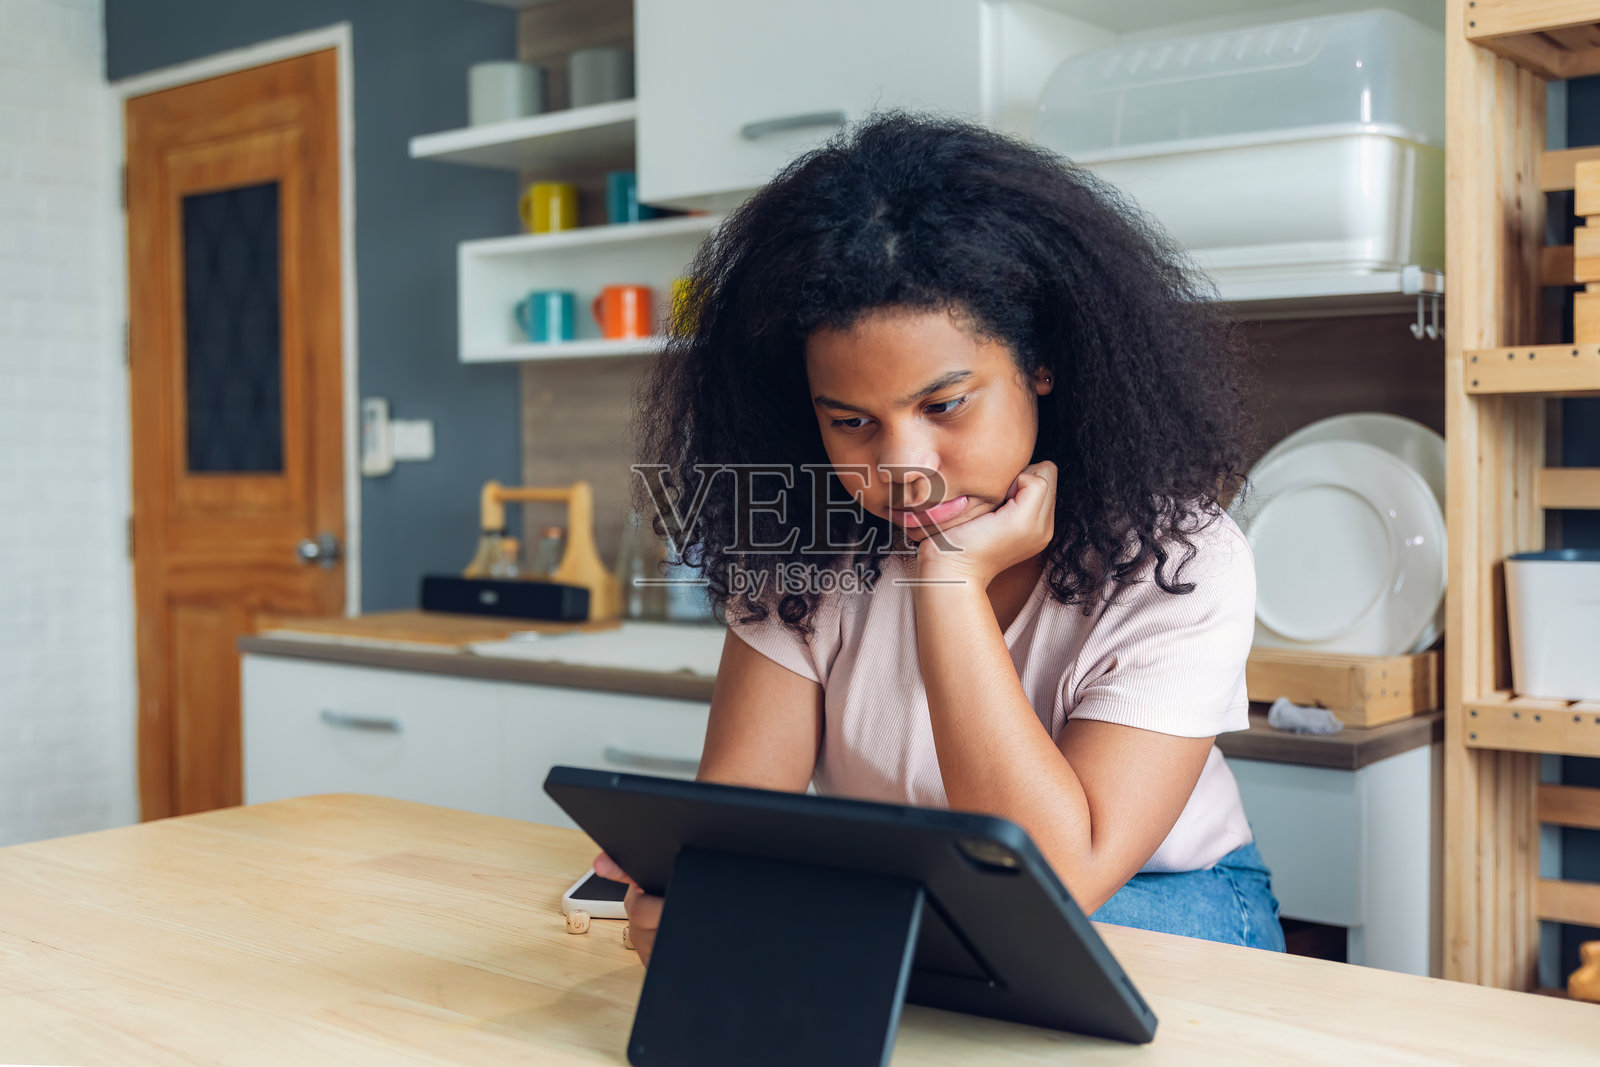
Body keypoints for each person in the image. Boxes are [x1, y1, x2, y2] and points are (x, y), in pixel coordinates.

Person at [597, 111, 1283, 964]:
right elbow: (744, 817)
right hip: (907, 900)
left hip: (1159, 899)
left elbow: (1059, 879)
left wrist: (949, 582)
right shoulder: (803, 547)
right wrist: (706, 892)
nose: (902, 467)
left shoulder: (1181, 557)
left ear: (1041, 363)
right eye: (851, 422)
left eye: (945, 404)